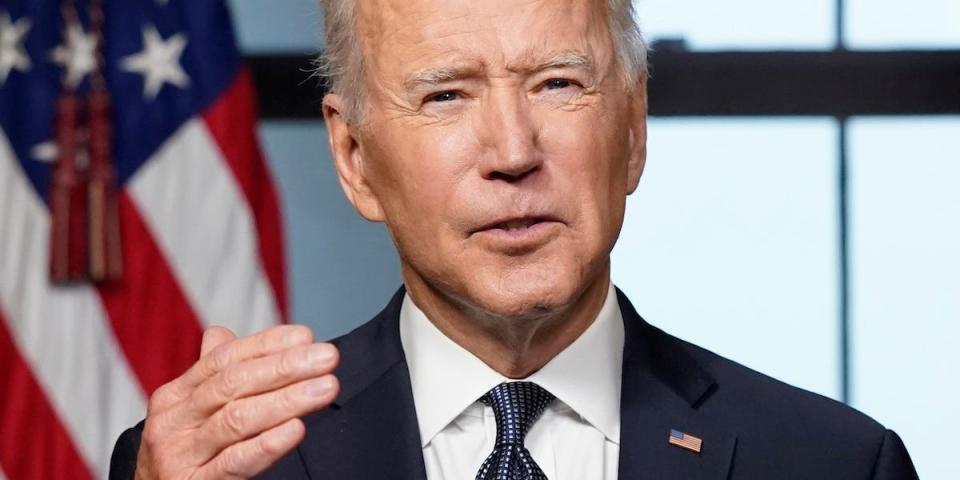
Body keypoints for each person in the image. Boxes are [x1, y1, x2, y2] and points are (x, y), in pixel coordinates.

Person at [110, 0, 920, 478]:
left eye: (558, 84)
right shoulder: (224, 468)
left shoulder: (834, 464)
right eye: (446, 97)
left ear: (633, 129)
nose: (512, 153)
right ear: (354, 159)